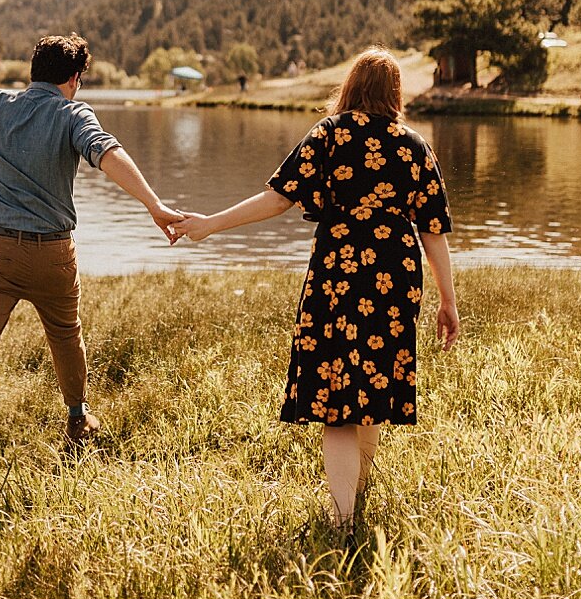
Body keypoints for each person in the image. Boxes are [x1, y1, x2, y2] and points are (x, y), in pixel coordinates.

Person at [172, 48, 458, 537]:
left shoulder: (328, 135)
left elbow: (277, 197)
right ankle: (355, 499)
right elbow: (433, 231)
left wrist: (209, 225)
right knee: (372, 388)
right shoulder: (413, 145)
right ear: (395, 94)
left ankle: (343, 519)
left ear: (349, 88)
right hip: (395, 275)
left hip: (338, 274)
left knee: (336, 400)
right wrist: (448, 300)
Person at [0, 34, 185, 529]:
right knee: (65, 336)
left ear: (32, 71)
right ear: (74, 78)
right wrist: (154, 205)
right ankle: (78, 416)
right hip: (51, 254)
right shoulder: (72, 114)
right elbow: (108, 154)